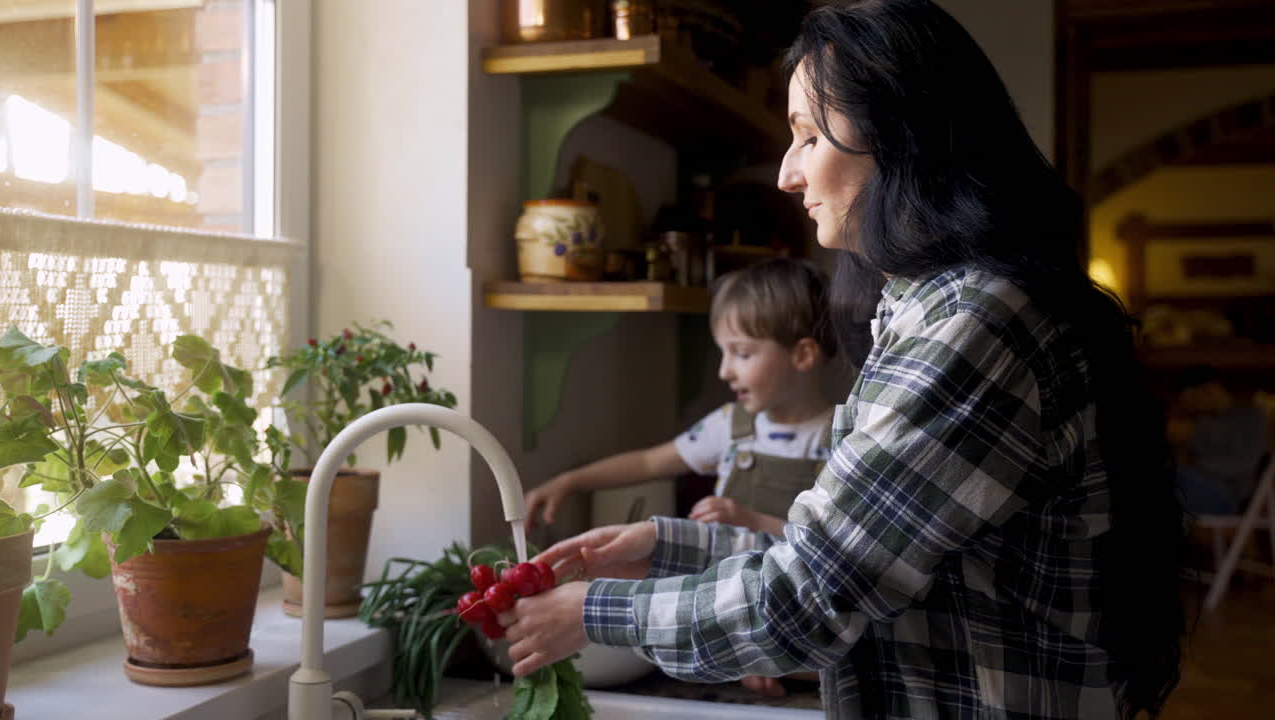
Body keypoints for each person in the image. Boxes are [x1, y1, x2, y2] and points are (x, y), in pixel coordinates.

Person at [497, 2, 1187, 719]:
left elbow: (803, 602)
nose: (786, 175)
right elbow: (841, 557)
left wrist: (596, 612)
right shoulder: (932, 306)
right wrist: (661, 545)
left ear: (899, 136)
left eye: (807, 137)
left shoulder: (973, 328)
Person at [523, 257, 839, 539]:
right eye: (722, 352)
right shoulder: (730, 424)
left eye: (742, 353)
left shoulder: (844, 438)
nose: (724, 371)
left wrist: (750, 520)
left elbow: (839, 544)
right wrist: (567, 482)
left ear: (802, 355)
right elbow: (648, 463)